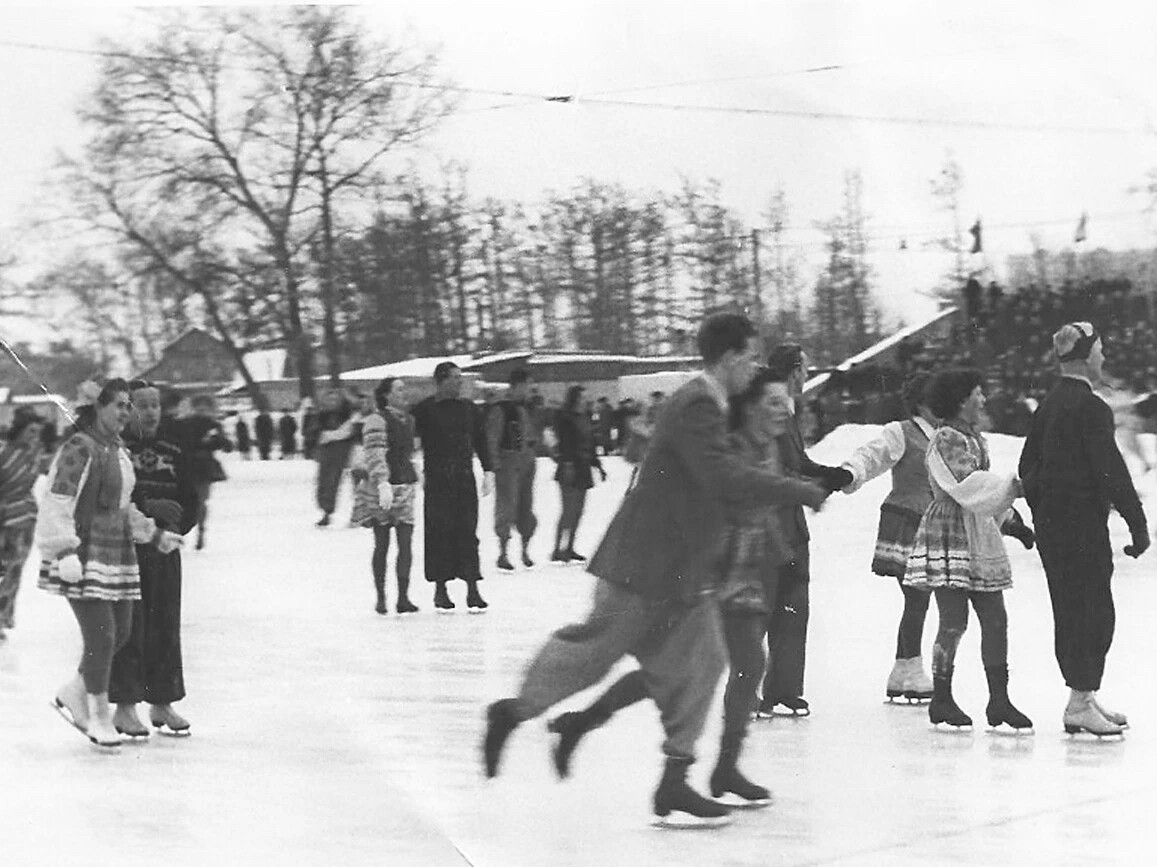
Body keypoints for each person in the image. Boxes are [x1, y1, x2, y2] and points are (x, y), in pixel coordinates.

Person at [482, 313, 828, 828]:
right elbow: (720, 476)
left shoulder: (716, 406)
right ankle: (514, 711)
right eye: (751, 356)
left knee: (705, 661)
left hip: (684, 568)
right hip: (644, 560)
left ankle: (674, 781)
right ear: (732, 357)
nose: (754, 367)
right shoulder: (695, 404)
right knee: (596, 650)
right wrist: (795, 491)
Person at [544, 370, 826, 809]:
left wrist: (778, 547)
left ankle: (719, 765)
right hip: (708, 567)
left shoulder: (768, 445)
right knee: (685, 669)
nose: (783, 410)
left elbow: (760, 505)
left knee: (740, 664)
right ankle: (614, 737)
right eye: (773, 401)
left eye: (786, 402)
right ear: (749, 405)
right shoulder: (726, 442)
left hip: (745, 569)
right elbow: (722, 495)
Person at [1018, 323, 1151, 736]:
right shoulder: (1092, 407)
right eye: (1101, 351)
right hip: (1081, 529)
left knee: (1071, 609)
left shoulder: (1048, 405)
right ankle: (1079, 700)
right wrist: (1137, 523)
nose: (1105, 359)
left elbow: (1027, 468)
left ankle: (1083, 697)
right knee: (1094, 611)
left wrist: (1044, 513)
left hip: (1056, 530)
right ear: (1088, 354)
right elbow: (1110, 469)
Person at [37, 379, 182, 748]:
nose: (126, 412)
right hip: (83, 554)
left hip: (115, 552)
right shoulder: (78, 448)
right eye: (118, 404)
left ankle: (75, 691)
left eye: (127, 405)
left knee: (121, 631)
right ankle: (100, 716)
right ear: (97, 408)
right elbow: (57, 500)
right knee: (102, 637)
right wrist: (65, 551)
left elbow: (122, 508)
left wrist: (154, 535)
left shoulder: (116, 449)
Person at [904, 369, 1032, 732]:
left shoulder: (975, 439)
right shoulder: (945, 438)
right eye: (978, 393)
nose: (983, 399)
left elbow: (985, 495)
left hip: (979, 530)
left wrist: (1010, 521)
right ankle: (942, 698)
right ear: (961, 399)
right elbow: (968, 485)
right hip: (951, 532)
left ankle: (999, 700)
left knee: (996, 619)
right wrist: (1016, 487)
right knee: (954, 620)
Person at [758, 344, 851, 718]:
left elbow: (799, 463)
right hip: (768, 527)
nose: (808, 376)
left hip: (793, 527)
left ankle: (784, 689)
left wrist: (829, 473)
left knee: (795, 609)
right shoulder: (769, 413)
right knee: (760, 611)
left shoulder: (789, 413)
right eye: (806, 369)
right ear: (794, 371)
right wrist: (817, 485)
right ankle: (748, 693)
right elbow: (775, 473)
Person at [837, 372, 939, 702]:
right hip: (905, 522)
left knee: (918, 596)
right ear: (922, 402)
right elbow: (873, 454)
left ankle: (903, 669)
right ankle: (909, 667)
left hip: (927, 525)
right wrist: (850, 471)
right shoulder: (902, 432)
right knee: (918, 595)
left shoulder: (943, 436)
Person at [109, 380, 199, 737]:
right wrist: (149, 508)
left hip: (165, 549)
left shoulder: (175, 448)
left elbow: (191, 495)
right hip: (126, 549)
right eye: (140, 405)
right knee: (131, 627)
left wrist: (179, 523)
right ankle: (125, 705)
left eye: (155, 405)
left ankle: (163, 701)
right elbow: (115, 496)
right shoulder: (118, 448)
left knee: (165, 623)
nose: (149, 412)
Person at [411, 362, 494, 611]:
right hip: (437, 480)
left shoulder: (469, 409)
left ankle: (472, 588)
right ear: (441, 380)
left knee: (468, 532)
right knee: (439, 533)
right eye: (455, 378)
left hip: (464, 477)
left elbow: (480, 440)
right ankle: (440, 589)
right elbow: (411, 442)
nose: (460, 382)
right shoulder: (425, 410)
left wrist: (488, 470)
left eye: (461, 377)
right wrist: (415, 469)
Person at [351, 377, 420, 615]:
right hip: (382, 489)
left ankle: (403, 597)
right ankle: (381, 597)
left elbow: (409, 453)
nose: (405, 393)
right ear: (387, 395)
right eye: (399, 389)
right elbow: (374, 454)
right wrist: (382, 483)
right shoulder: (375, 420)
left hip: (404, 485)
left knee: (405, 543)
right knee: (382, 544)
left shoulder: (409, 420)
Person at [0, 408, 47, 643]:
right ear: (19, 430)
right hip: (3, 517)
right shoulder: (3, 452)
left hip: (25, 519)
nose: (33, 437)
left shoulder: (35, 453)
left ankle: (1, 619)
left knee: (14, 572)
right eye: (30, 431)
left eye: (37, 433)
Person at [487, 368, 539, 571]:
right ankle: (503, 552)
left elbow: (533, 432)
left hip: (527, 459)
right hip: (509, 460)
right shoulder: (502, 409)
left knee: (526, 506)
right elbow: (492, 437)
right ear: (516, 385)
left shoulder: (529, 407)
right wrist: (494, 464)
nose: (530, 389)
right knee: (507, 507)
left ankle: (525, 550)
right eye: (527, 384)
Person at [550, 385, 606, 563]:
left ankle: (570, 547)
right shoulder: (565, 418)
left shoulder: (585, 418)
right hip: (570, 467)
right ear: (574, 399)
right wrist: (566, 463)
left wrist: (597, 466)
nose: (585, 401)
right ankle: (557, 548)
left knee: (579, 511)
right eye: (582, 398)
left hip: (583, 468)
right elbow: (565, 443)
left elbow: (590, 444)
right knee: (568, 510)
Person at [183, 394, 232, 551]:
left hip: (192, 466)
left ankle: (197, 532)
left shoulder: (186, 423)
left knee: (194, 501)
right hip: (199, 466)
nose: (201, 411)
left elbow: (226, 445)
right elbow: (227, 445)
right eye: (200, 408)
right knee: (199, 502)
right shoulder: (211, 424)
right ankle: (198, 531)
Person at [313, 388, 355, 527]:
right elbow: (313, 433)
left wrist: (328, 436)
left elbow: (347, 433)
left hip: (340, 453)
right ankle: (324, 507)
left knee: (332, 481)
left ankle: (328, 511)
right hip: (325, 453)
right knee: (322, 481)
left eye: (336, 399)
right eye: (330, 399)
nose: (333, 402)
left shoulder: (347, 415)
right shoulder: (322, 416)